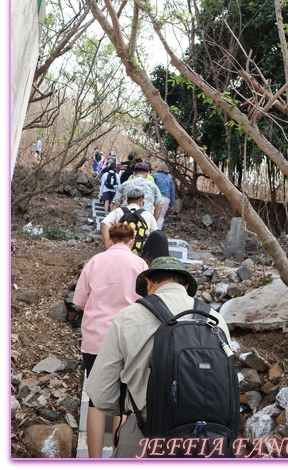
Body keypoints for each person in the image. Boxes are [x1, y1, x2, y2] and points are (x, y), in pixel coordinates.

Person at [86, 257, 232, 458]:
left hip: (144, 435)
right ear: (186, 285)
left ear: (148, 283)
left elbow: (101, 395)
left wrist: (130, 406)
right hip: (207, 441)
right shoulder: (216, 320)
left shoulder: (127, 318)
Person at [73, 223, 148, 458]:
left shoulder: (95, 261)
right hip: (128, 338)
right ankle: (118, 455)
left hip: (95, 338)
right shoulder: (139, 264)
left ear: (110, 239)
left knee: (96, 400)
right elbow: (147, 302)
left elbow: (79, 300)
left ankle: (94, 459)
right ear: (131, 240)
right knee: (123, 401)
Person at [152, 162, 175, 229]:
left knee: (153, 215)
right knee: (161, 216)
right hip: (165, 198)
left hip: (155, 197)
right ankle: (158, 232)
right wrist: (172, 204)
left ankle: (151, 232)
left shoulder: (154, 175)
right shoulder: (169, 178)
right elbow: (172, 191)